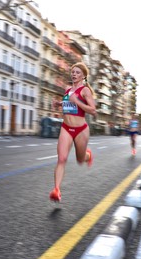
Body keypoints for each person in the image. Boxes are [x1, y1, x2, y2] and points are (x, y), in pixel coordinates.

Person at [50, 62, 97, 202]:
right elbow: (68, 103)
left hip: (81, 130)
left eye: (77, 72)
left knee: (80, 160)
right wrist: (59, 104)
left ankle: (88, 155)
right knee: (62, 159)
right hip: (66, 128)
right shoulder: (67, 89)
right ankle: (56, 190)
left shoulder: (85, 91)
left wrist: (77, 101)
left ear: (83, 76)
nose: (74, 74)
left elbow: (93, 110)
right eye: (73, 72)